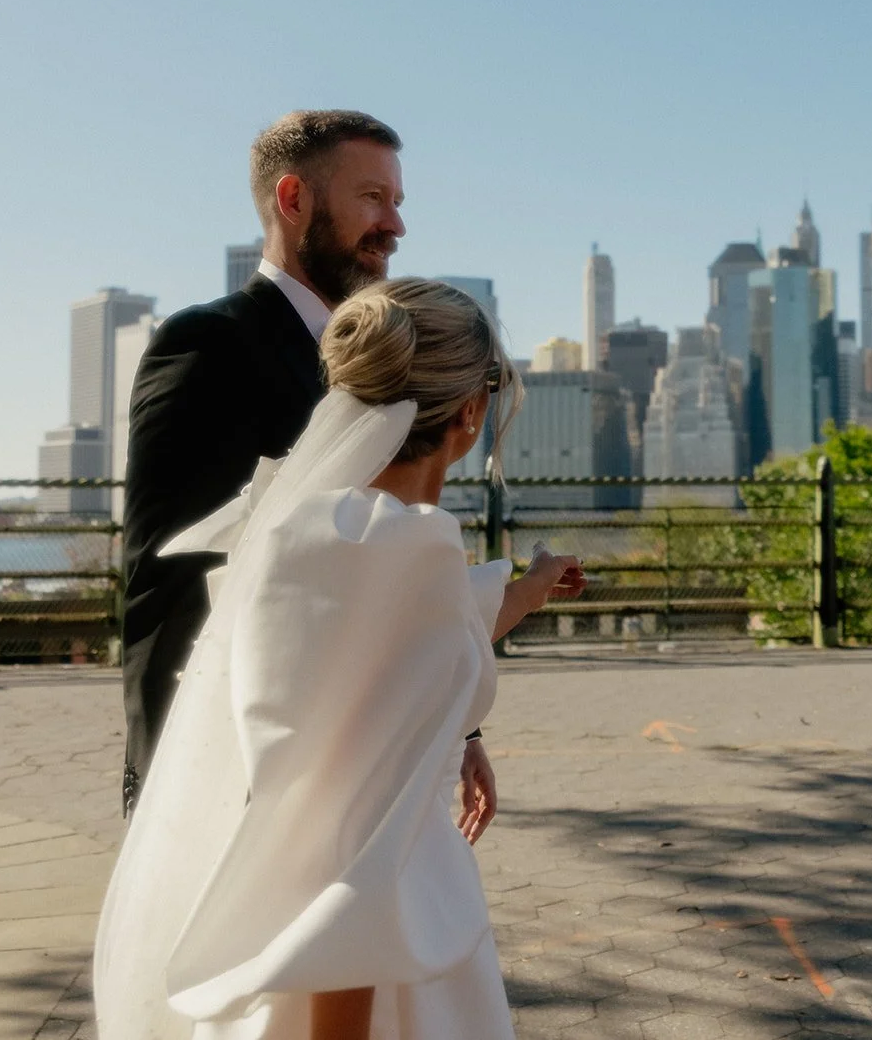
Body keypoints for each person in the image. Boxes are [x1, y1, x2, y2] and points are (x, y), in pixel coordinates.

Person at [95, 279, 584, 1039]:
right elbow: (353, 841)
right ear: (471, 412)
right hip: (369, 967)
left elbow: (437, 624)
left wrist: (531, 586)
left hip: (300, 921)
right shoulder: (407, 549)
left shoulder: (318, 530)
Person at [121, 110, 495, 824]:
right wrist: (173, 780)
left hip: (352, 754)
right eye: (373, 199)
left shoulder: (387, 363)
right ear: (294, 200)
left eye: (398, 203)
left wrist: (458, 721)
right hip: (238, 767)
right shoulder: (207, 345)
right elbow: (169, 575)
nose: (395, 226)